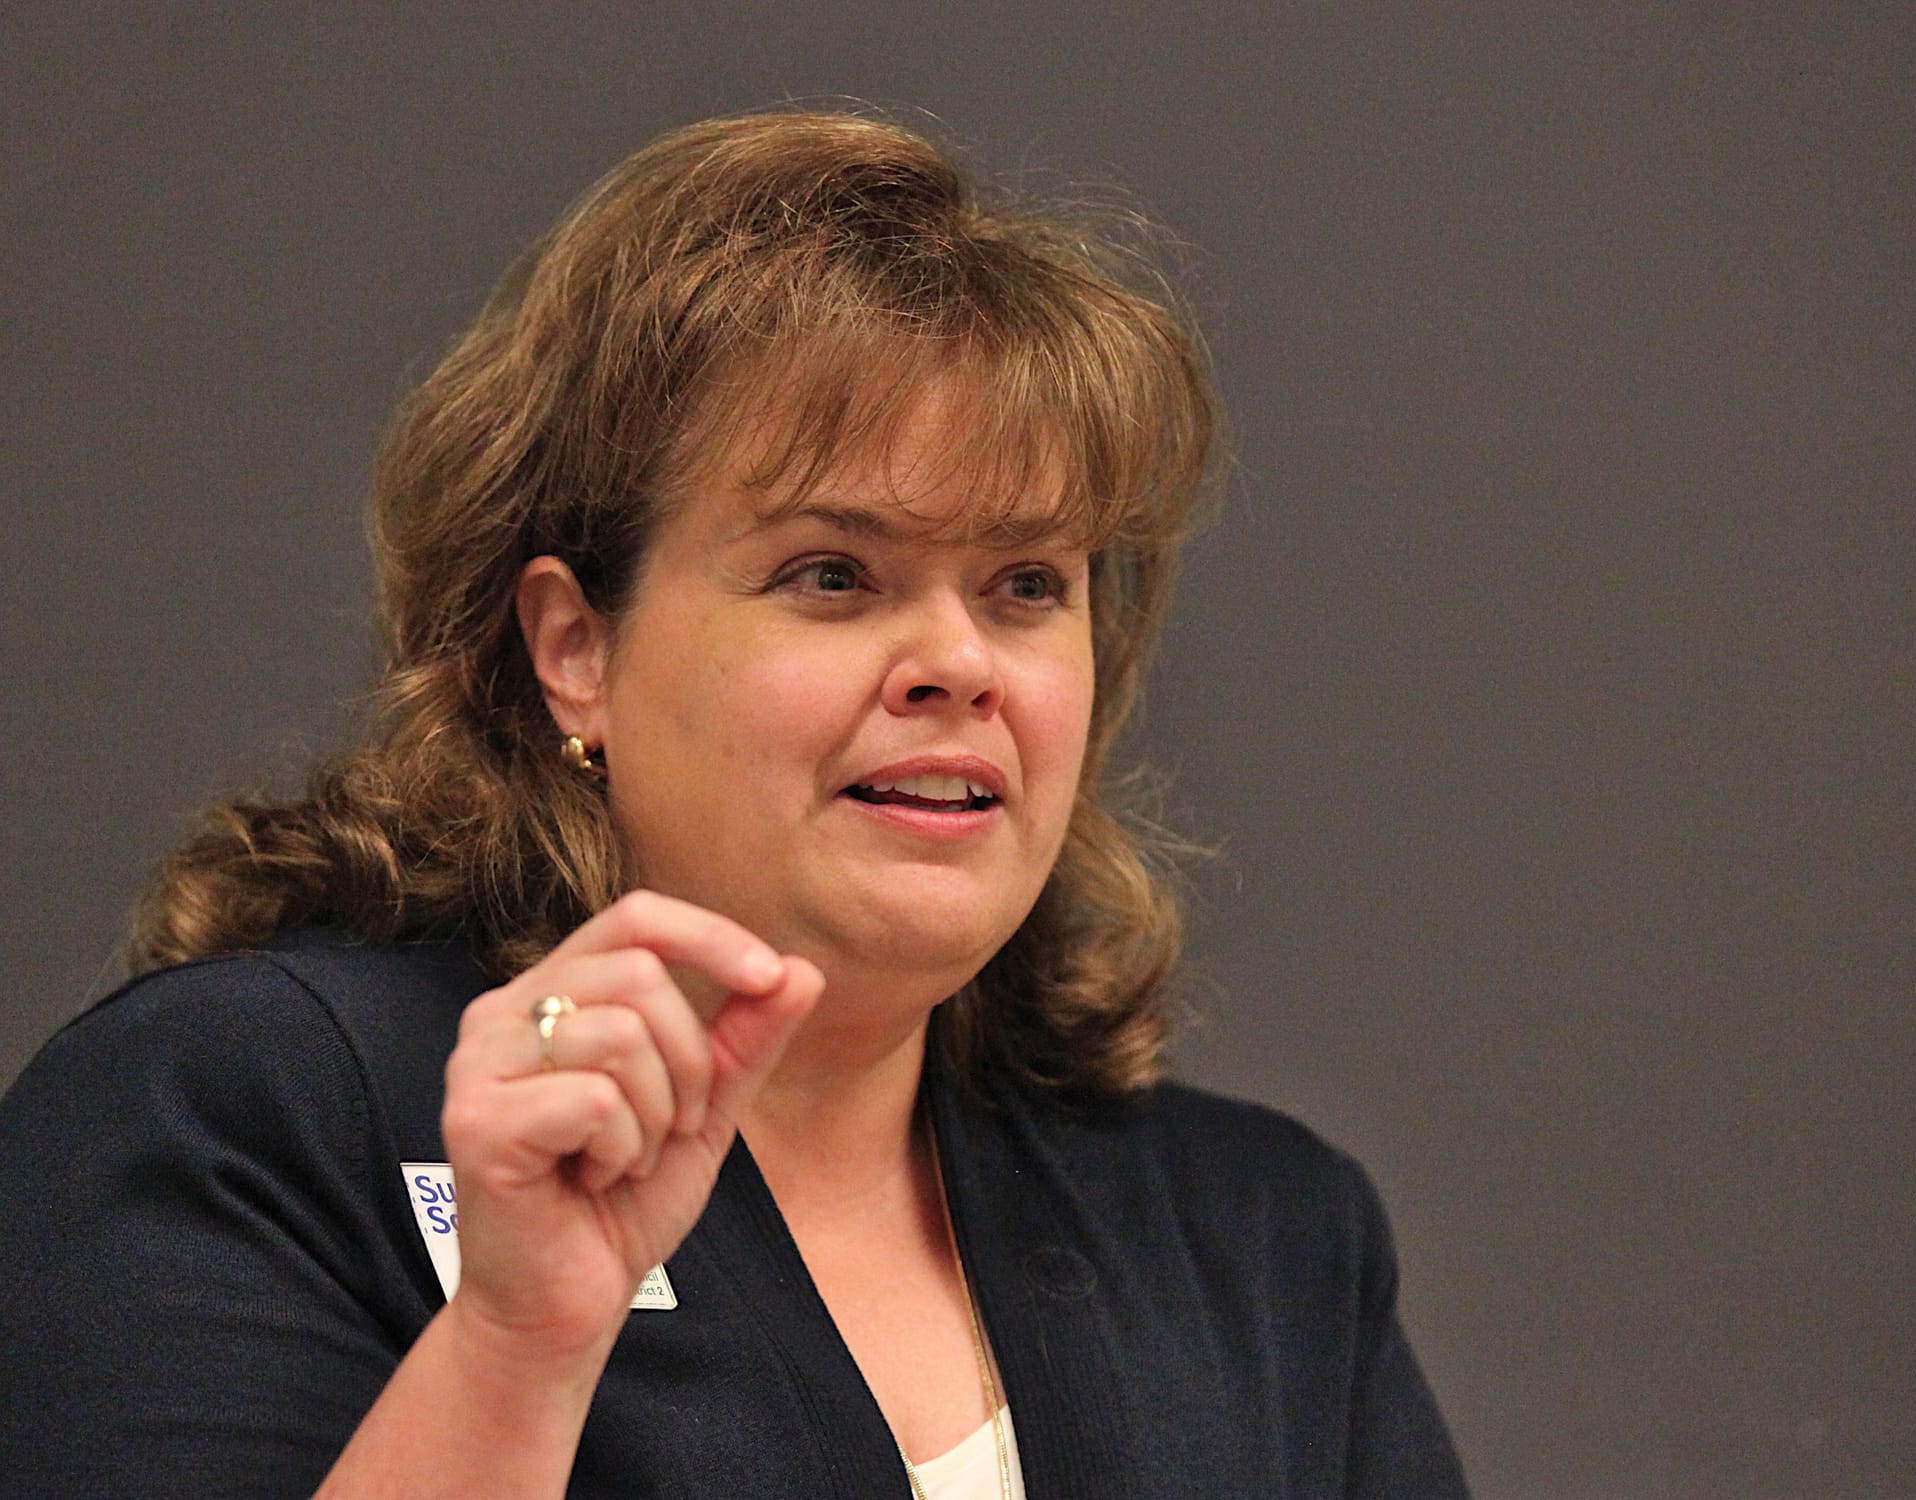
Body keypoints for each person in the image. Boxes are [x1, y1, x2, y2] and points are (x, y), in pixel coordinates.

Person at [0, 110, 1468, 1498]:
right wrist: (514, 1351)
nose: (960, 664)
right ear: (575, 649)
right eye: (835, 574)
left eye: (1027, 585)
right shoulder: (249, 1111)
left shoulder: (1265, 1239)